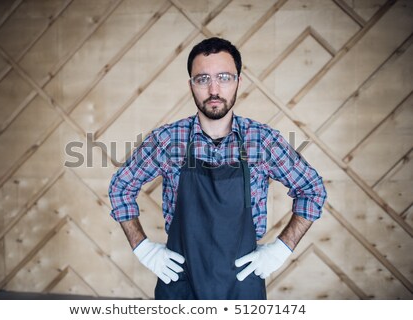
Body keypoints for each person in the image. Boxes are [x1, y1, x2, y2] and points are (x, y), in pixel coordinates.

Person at [108, 37, 327, 299]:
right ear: (191, 85)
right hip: (182, 284)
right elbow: (120, 186)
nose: (214, 89)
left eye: (224, 77)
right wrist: (142, 248)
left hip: (242, 284)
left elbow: (312, 189)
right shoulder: (168, 140)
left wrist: (282, 248)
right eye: (202, 79)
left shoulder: (262, 140)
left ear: (238, 82)